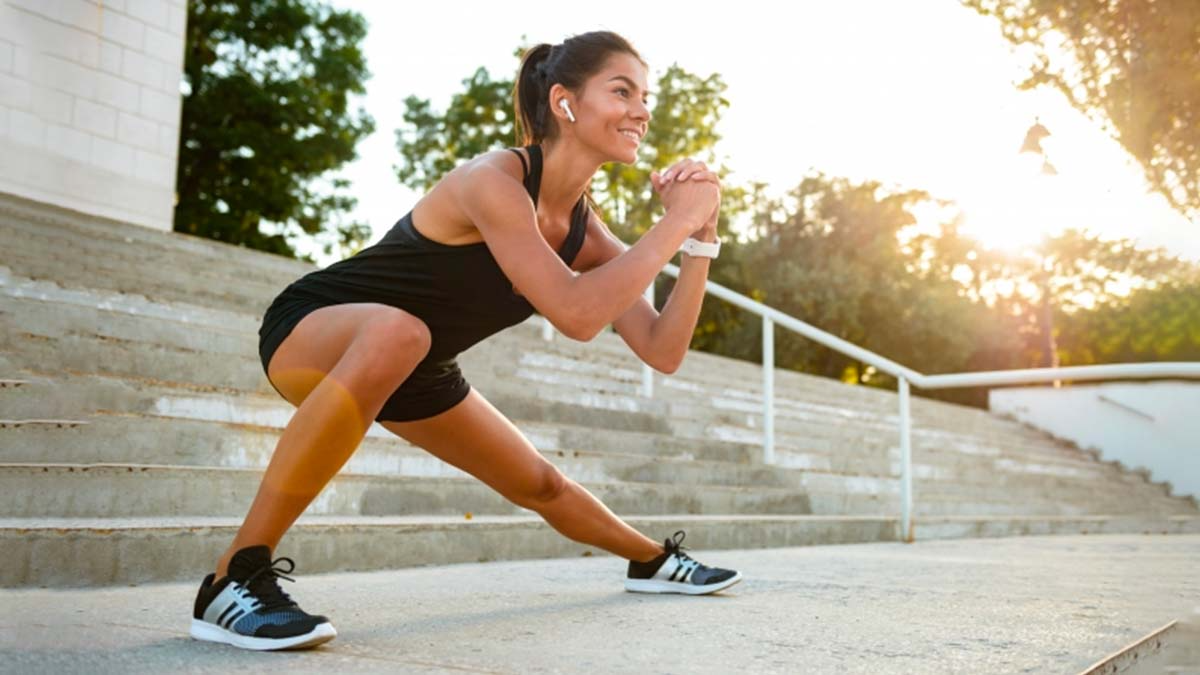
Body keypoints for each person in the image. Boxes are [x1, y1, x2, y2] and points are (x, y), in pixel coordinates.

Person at [190, 30, 741, 652]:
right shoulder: (493, 180)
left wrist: (701, 240)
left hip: (414, 362)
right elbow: (576, 314)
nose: (642, 109)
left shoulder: (585, 232)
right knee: (401, 330)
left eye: (646, 96)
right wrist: (675, 220)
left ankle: (654, 561)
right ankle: (231, 579)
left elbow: (663, 350)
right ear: (565, 102)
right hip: (316, 327)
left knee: (541, 483)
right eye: (622, 91)